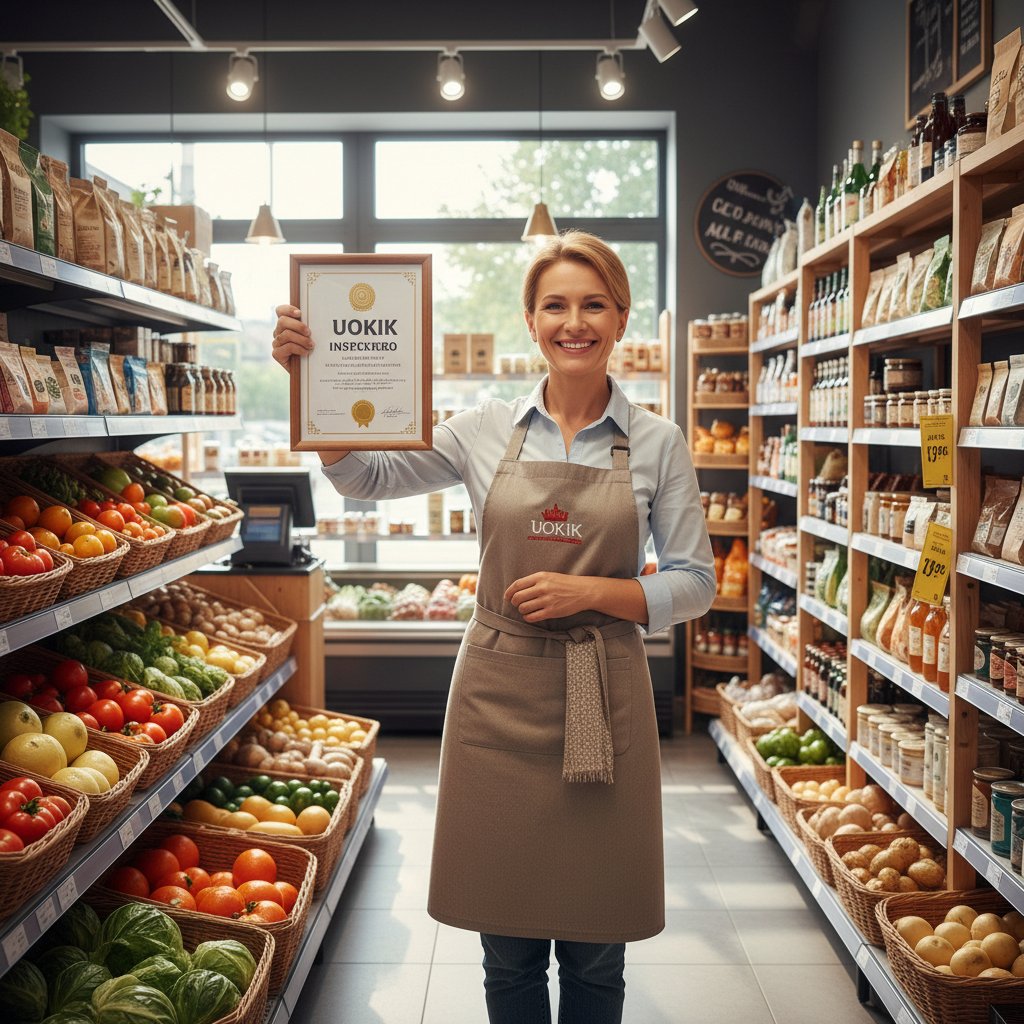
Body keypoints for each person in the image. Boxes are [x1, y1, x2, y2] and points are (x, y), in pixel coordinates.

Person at [271, 230, 715, 1024]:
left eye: (592, 305)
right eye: (555, 306)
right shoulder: (481, 429)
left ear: (619, 319)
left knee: (595, 948)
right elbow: (364, 478)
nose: (573, 322)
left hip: (602, 696)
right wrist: (316, 383)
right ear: (530, 320)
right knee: (505, 951)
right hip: (496, 697)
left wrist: (596, 593)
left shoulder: (656, 442)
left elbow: (695, 582)